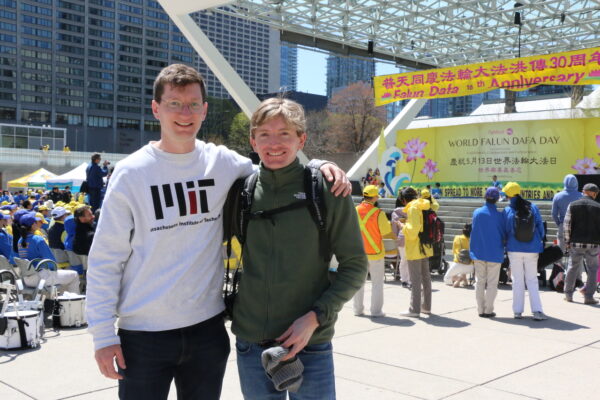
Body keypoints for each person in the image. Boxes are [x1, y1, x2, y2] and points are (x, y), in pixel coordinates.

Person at [85, 64, 350, 400]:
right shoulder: (130, 173)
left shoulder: (223, 163)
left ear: (205, 110)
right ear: (156, 108)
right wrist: (102, 336)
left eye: (194, 104)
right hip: (143, 335)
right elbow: (106, 258)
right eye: (174, 104)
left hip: (206, 332)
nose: (185, 113)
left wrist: (318, 165)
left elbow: (277, 166)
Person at [231, 97, 367, 400]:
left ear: (301, 139)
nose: (274, 144)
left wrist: (316, 316)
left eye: (285, 134)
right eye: (264, 134)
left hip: (311, 342)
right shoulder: (243, 192)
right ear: (253, 140)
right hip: (251, 343)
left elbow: (355, 265)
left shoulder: (328, 189)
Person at [503, 182, 547, 321]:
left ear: (508, 195)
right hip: (532, 248)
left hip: (514, 249)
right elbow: (540, 227)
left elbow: (506, 230)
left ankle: (517, 311)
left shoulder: (508, 210)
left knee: (517, 280)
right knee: (532, 279)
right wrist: (538, 242)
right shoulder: (532, 207)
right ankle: (537, 311)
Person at [353, 184, 394, 318]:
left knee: (358, 282)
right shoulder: (379, 213)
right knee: (377, 283)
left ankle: (358, 310)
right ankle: (376, 311)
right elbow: (385, 231)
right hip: (375, 253)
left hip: (359, 252)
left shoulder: (354, 210)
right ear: (375, 197)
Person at [17, 211, 80, 294]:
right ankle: (73, 304)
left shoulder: (20, 240)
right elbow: (51, 263)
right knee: (74, 275)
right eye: (36, 221)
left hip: (27, 279)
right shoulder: (38, 239)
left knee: (64, 277)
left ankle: (60, 302)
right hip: (41, 278)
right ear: (33, 225)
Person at [399, 187, 439, 317]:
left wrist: (402, 226)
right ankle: (426, 307)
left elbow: (412, 232)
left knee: (415, 280)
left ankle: (414, 310)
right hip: (425, 246)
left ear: (404, 200)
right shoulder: (424, 205)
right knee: (426, 278)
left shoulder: (412, 208)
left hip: (415, 248)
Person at [470, 187, 506, 318]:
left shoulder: (477, 212)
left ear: (485, 197)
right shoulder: (500, 216)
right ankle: (488, 310)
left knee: (479, 281)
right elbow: (504, 234)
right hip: (495, 253)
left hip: (478, 251)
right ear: (497, 199)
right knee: (492, 283)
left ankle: (480, 309)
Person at [563, 183, 600, 304]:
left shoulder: (572, 205)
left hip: (576, 242)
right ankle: (589, 297)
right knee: (593, 269)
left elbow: (566, 225)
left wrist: (567, 241)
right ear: (593, 193)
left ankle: (568, 295)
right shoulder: (598, 207)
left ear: (583, 192)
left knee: (572, 267)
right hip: (593, 244)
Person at [551, 174, 582, 253]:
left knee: (559, 252)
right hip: (577, 227)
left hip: (563, 225)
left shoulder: (557, 196)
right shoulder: (581, 196)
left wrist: (559, 224)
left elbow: (554, 214)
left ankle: (559, 264)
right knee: (576, 254)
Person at [443, 223, 473, 288]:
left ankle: (459, 279)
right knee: (464, 268)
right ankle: (465, 279)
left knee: (446, 278)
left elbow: (454, 251)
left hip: (458, 264)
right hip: (471, 267)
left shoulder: (457, 238)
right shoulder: (474, 240)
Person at [391, 192, 410, 288]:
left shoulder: (397, 212)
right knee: (409, 260)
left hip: (402, 238)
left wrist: (395, 236)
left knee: (404, 260)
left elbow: (394, 227)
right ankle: (408, 280)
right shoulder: (416, 209)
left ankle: (405, 280)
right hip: (410, 238)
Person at [73, 205, 95, 270]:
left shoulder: (78, 231)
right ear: (81, 219)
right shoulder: (89, 236)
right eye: (90, 215)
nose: (93, 216)